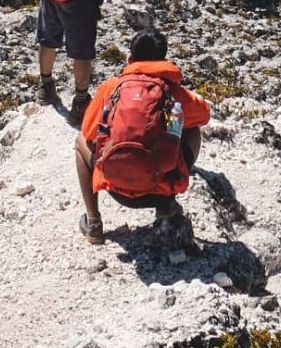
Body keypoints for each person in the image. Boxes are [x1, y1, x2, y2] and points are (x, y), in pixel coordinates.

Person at [74, 29, 210, 246]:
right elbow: (204, 115)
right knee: (191, 128)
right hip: (159, 188)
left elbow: (90, 133)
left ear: (130, 60)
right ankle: (167, 203)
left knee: (80, 141)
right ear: (164, 61)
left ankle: (94, 222)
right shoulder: (172, 92)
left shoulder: (112, 88)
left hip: (115, 185)